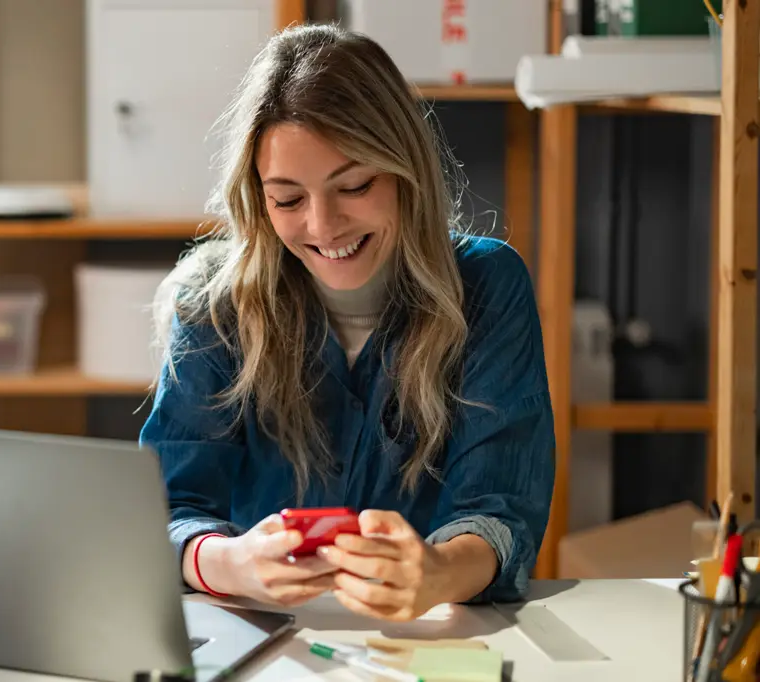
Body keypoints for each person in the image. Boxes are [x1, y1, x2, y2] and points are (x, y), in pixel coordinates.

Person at [141, 23, 556, 623]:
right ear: (258, 199)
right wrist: (231, 562)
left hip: (428, 638)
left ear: (404, 169)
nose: (324, 225)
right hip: (263, 640)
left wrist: (438, 572)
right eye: (287, 200)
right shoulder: (212, 304)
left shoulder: (487, 287)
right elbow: (165, 510)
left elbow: (501, 508)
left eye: (355, 185)